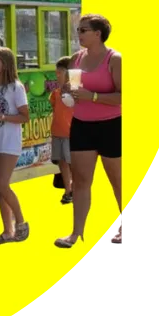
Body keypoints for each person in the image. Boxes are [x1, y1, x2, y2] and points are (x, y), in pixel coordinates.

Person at [55, 14, 123, 248]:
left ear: (98, 34)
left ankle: (122, 229)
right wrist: (66, 90)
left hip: (111, 125)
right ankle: (76, 233)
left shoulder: (114, 59)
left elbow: (124, 96)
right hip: (82, 125)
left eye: (83, 30)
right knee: (81, 181)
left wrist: (92, 96)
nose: (79, 34)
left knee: (119, 181)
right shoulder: (75, 59)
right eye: (78, 30)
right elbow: (70, 90)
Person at [0, 48, 31, 244]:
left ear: (5, 65)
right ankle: (7, 231)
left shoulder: (15, 88)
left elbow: (24, 116)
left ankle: (20, 222)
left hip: (9, 141)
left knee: (3, 184)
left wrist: (2, 116)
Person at [50, 56, 75, 205]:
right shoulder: (55, 93)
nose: (57, 75)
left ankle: (78, 190)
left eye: (60, 72)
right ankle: (68, 190)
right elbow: (54, 107)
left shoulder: (77, 91)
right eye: (56, 72)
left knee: (72, 163)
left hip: (70, 134)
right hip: (57, 133)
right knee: (62, 162)